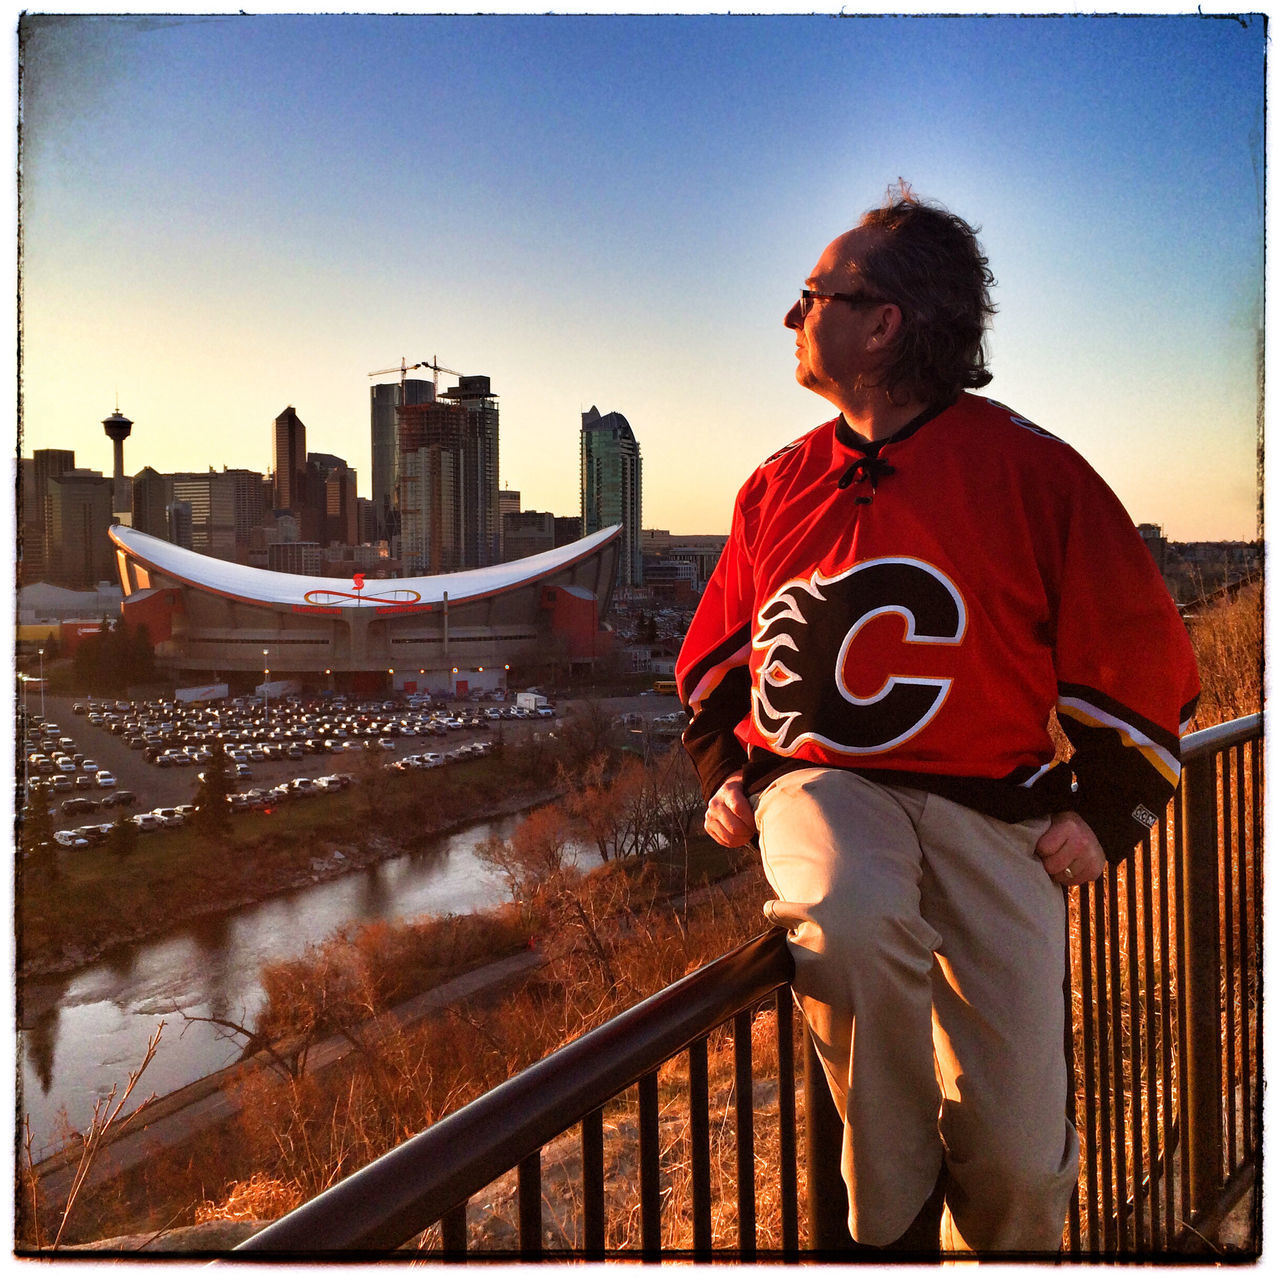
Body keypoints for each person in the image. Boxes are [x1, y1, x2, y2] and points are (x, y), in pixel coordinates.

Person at [675, 187, 1200, 1257]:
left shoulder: (1031, 471)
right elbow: (717, 658)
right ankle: (889, 1237)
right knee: (851, 912)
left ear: (883, 322)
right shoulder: (773, 488)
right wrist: (722, 768)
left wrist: (1107, 811)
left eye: (813, 293)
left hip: (993, 814)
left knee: (1014, 1157)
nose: (790, 315)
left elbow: (1139, 651)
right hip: (821, 785)